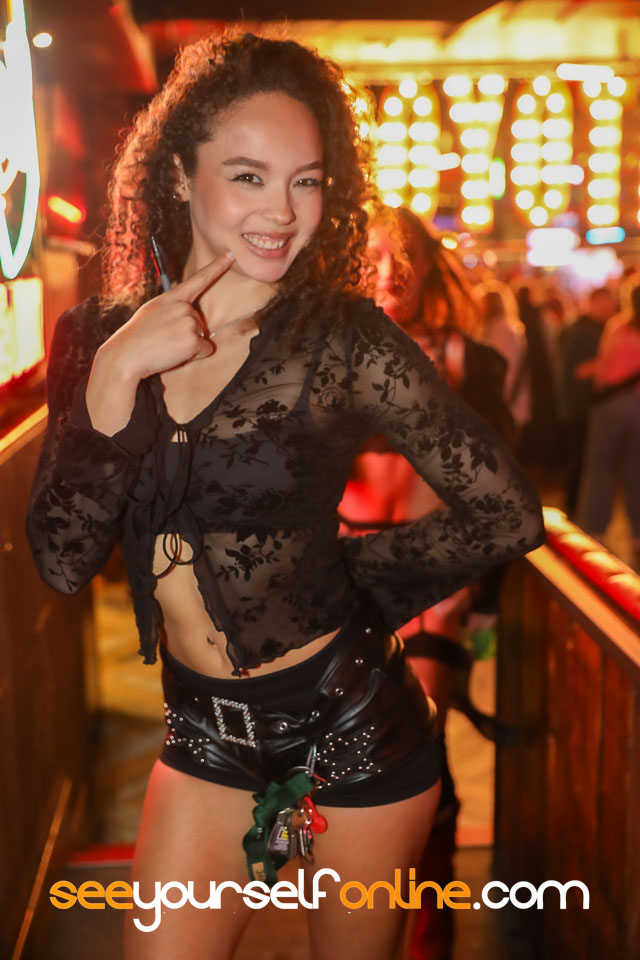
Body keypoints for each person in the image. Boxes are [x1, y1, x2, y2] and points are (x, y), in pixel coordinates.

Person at [24, 32, 545, 960]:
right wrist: (113, 380)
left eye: (306, 180)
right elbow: (62, 564)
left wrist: (339, 582)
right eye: (249, 176)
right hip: (201, 737)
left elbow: (507, 510)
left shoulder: (341, 340)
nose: (282, 211)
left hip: (353, 727)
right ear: (179, 174)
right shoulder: (96, 337)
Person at [340, 208, 523, 960]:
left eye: (405, 256)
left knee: (415, 741)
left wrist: (480, 596)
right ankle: (384, 917)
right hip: (347, 575)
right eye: (373, 256)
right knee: (361, 756)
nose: (389, 273)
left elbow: (503, 486)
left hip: (433, 583)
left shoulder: (468, 359)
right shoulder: (323, 350)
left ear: (429, 266)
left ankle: (429, 924)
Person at [577, 285, 640, 571]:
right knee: (635, 470)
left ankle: (595, 531)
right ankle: (637, 534)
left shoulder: (618, 327)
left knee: (600, 468)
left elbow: (603, 367)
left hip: (611, 406)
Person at [558, 286, 617, 518]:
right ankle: (573, 508)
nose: (609, 308)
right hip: (579, 407)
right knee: (580, 459)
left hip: (581, 406)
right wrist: (610, 360)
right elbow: (579, 371)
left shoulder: (590, 329)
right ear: (593, 303)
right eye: (604, 303)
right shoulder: (584, 332)